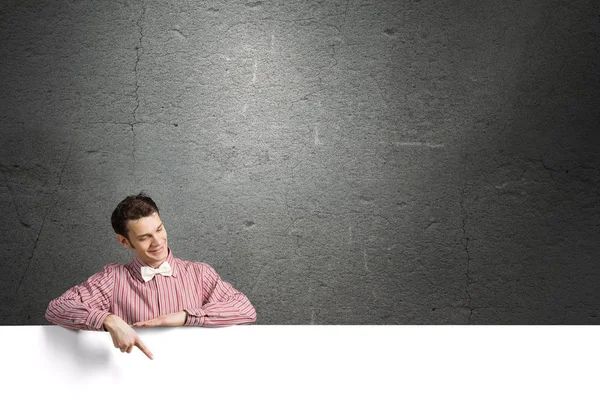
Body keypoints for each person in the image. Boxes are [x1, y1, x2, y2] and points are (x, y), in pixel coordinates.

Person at [45, 193, 256, 360]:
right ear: (124, 242)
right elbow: (57, 307)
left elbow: (245, 309)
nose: (158, 242)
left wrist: (186, 316)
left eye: (159, 229)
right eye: (145, 237)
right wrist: (108, 320)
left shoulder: (199, 273)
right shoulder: (112, 279)